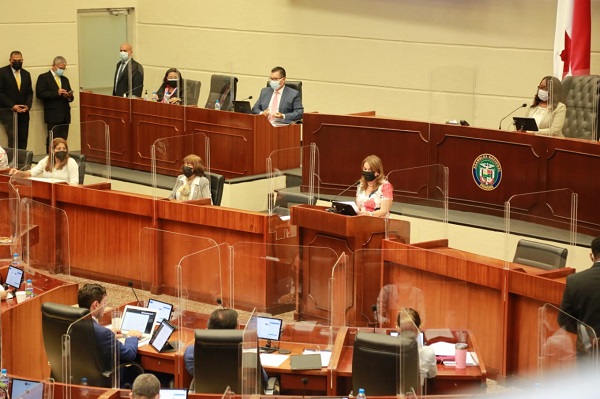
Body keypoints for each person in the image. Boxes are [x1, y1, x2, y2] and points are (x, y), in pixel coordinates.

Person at [77, 283, 141, 385]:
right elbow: (129, 354)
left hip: (79, 377)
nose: (105, 306)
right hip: (106, 380)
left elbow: (93, 336)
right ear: (96, 305)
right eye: (104, 302)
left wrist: (109, 335)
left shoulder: (73, 323)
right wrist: (132, 336)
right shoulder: (103, 334)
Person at [559, 237, 600, 357]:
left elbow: (564, 320)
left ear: (591, 256)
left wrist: (586, 334)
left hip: (586, 349)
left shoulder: (574, 280)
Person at [183, 308, 239, 375]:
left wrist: (205, 336)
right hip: (234, 385)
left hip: (203, 385)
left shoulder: (191, 353)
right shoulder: (242, 353)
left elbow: (193, 372)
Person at [36, 56, 74, 151]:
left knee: (63, 140)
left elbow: (71, 96)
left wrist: (69, 96)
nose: (62, 70)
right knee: (52, 140)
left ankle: (62, 159)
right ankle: (50, 159)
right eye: (60, 68)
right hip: (53, 114)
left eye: (64, 68)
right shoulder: (44, 77)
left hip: (65, 114)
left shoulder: (65, 79)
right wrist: (56, 93)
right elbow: (40, 94)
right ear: (54, 66)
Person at [0, 51, 34, 149]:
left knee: (23, 139)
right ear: (10, 61)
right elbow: (0, 92)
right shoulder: (2, 72)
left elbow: (29, 92)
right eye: (15, 60)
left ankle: (22, 162)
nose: (17, 62)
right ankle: (13, 161)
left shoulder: (26, 74)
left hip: (24, 112)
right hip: (8, 112)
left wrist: (28, 105)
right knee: (13, 139)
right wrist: (12, 106)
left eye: (19, 60)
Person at [9, 137, 79, 184]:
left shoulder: (71, 162)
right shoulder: (46, 160)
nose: (62, 151)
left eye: (64, 149)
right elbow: (32, 173)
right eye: (58, 148)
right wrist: (19, 173)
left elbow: (74, 183)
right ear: (52, 150)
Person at [397, 308, 436, 388]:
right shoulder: (428, 352)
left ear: (397, 328)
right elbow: (432, 375)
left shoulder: (387, 350)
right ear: (419, 329)